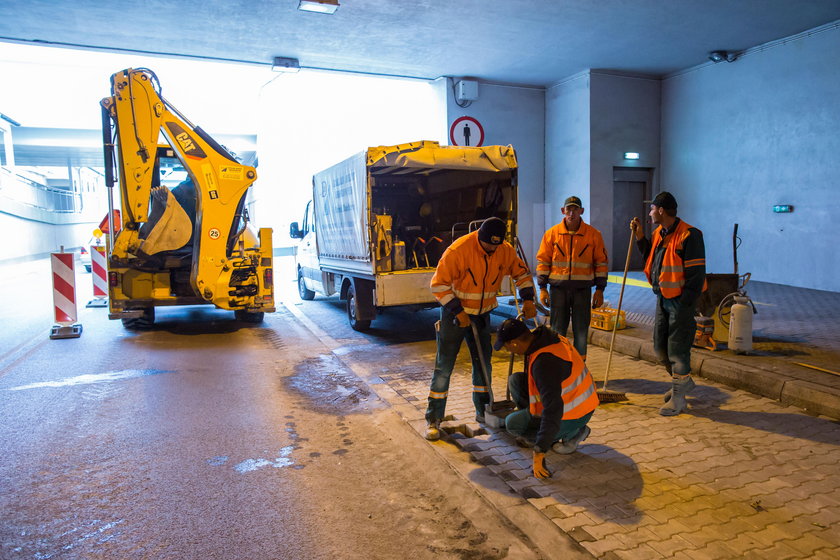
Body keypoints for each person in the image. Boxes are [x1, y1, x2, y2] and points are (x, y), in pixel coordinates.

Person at [425, 217, 536, 441]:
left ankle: (483, 411)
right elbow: (438, 284)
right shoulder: (459, 250)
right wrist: (458, 311)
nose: (492, 249)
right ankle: (434, 418)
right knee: (444, 366)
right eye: (488, 245)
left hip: (483, 314)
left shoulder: (504, 250)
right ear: (479, 237)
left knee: (483, 364)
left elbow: (522, 274)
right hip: (455, 315)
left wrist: (528, 300)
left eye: (496, 245)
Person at [630, 191, 706, 416]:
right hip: (662, 298)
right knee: (660, 348)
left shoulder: (690, 235)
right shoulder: (658, 233)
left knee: (677, 349)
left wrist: (685, 304)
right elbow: (650, 259)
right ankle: (682, 383)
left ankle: (679, 397)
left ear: (661, 210)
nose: (650, 213)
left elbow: (696, 274)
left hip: (680, 302)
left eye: (652, 209)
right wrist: (640, 237)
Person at [494, 318, 598, 479]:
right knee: (515, 380)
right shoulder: (544, 339)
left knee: (512, 424)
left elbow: (553, 409)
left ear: (514, 343)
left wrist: (539, 452)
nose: (508, 351)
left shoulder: (545, 363)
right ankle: (541, 427)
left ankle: (574, 432)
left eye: (506, 346)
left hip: (574, 410)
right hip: (573, 399)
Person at [535, 195, 608, 360]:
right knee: (557, 332)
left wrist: (600, 290)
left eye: (575, 209)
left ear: (582, 211)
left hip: (582, 291)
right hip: (558, 290)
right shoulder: (551, 235)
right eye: (569, 209)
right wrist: (542, 289)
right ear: (563, 211)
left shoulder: (593, 235)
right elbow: (543, 262)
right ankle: (559, 367)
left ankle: (579, 369)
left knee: (581, 332)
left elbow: (601, 264)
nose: (572, 213)